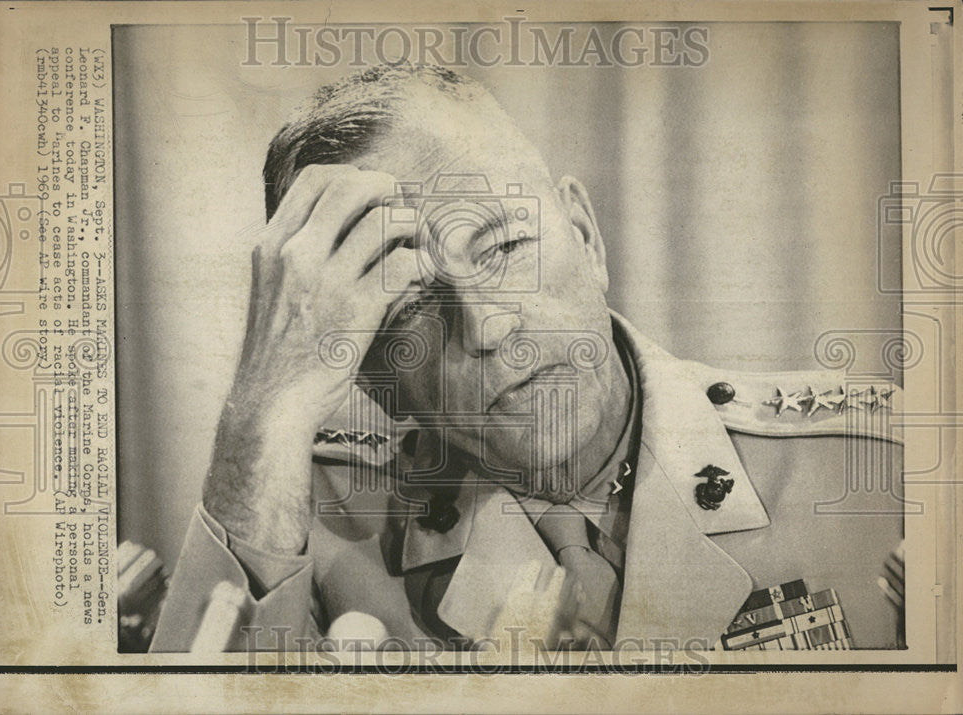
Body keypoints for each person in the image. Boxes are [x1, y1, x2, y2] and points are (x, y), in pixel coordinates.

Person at [149, 63, 904, 653]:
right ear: (378, 385)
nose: (485, 325)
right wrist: (261, 410)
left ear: (586, 235)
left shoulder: (879, 469)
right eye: (414, 307)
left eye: (505, 246)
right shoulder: (309, 522)